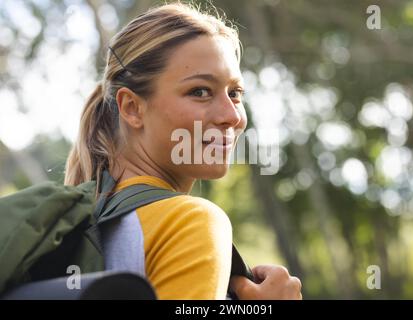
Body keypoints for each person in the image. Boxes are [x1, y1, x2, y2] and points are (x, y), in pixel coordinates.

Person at [64, 2, 302, 300]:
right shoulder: (190, 222)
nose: (232, 116)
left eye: (235, 93)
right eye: (200, 91)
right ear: (132, 108)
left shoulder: (86, 222)